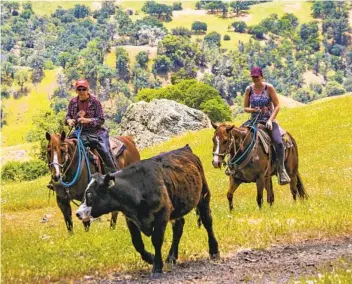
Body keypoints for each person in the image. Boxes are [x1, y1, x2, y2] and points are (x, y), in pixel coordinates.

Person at [47, 79, 116, 190]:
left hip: (96, 132)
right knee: (64, 149)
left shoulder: (95, 102)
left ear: (88, 89)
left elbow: (101, 119)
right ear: (76, 90)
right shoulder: (73, 102)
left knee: (105, 150)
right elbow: (68, 116)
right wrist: (69, 121)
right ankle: (58, 178)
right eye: (79, 89)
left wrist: (88, 120)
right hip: (79, 132)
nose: (82, 91)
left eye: (84, 89)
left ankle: (113, 177)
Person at [243, 67, 291, 185]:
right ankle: (233, 166)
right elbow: (245, 108)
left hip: (267, 120)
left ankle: (281, 169)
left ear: (261, 77)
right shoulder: (249, 89)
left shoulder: (268, 88)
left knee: (278, 142)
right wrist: (253, 109)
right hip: (254, 121)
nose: (255, 79)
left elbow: (277, 105)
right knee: (236, 136)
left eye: (257, 77)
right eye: (253, 77)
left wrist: (270, 120)